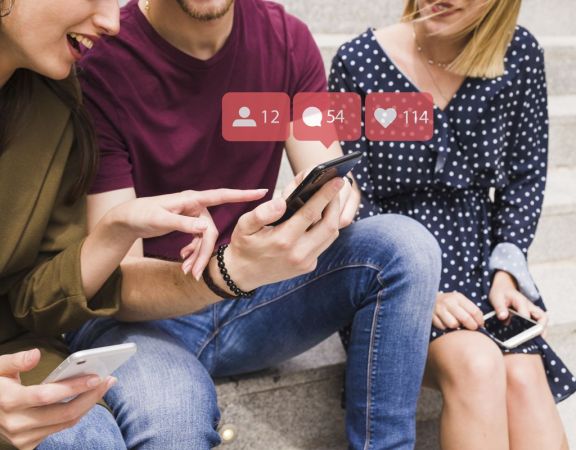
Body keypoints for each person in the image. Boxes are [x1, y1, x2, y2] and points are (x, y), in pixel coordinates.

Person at [64, 0, 443, 448]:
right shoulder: (103, 62)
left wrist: (335, 199)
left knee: (406, 246)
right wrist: (229, 272)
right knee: (174, 419)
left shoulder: (285, 39)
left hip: (252, 297)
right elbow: (116, 285)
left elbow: (324, 167)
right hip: (145, 319)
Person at [0, 0, 267, 448]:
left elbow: (30, 300)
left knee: (97, 434)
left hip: (20, 351)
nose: (111, 21)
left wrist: (115, 230)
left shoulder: (53, 99)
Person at [330, 0, 575, 448]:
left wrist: (507, 271)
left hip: (479, 267)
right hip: (391, 271)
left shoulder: (517, 54)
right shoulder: (359, 61)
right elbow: (347, 196)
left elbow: (526, 176)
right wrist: (422, 290)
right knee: (477, 363)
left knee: (524, 377)